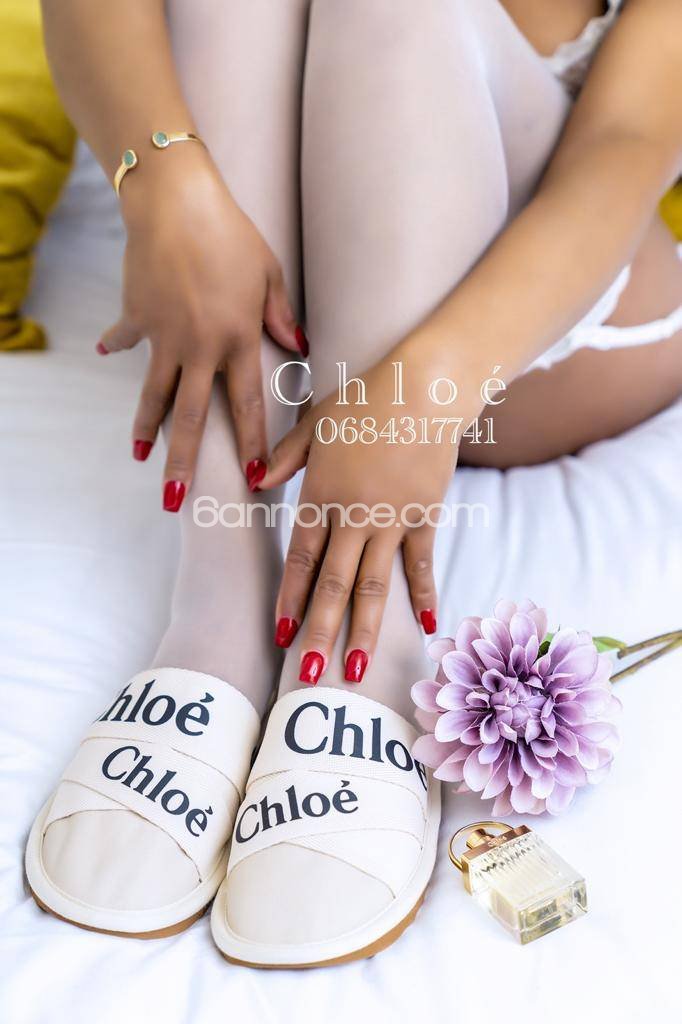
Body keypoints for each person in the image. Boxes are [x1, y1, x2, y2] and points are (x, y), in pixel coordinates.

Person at [25, 0, 681, 965]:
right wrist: (166, 184)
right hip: (316, 313)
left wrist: (425, 392)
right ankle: (222, 610)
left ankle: (365, 656)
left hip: (547, 329)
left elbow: (626, 145)